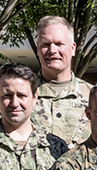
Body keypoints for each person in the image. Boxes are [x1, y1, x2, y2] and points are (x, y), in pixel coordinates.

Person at [33, 15, 93, 147]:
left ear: (72, 48)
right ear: (38, 49)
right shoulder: (21, 95)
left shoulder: (94, 96)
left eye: (59, 44)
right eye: (45, 44)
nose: (52, 50)